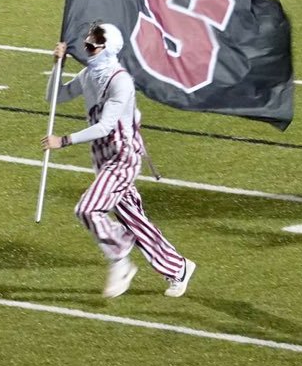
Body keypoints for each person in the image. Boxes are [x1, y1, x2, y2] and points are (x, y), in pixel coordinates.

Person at [41, 23, 195, 298]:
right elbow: (55, 96)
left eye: (93, 45)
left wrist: (63, 140)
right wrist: (57, 66)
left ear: (108, 48)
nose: (87, 48)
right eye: (87, 43)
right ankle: (178, 267)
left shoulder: (120, 81)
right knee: (134, 220)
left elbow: (105, 126)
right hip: (102, 157)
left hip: (123, 157)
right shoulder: (89, 74)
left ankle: (119, 255)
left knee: (87, 209)